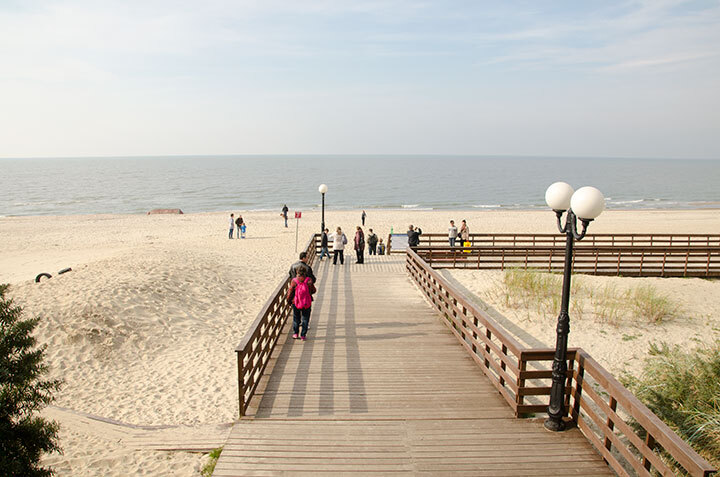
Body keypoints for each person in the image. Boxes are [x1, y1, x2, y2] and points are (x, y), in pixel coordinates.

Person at [286, 267, 316, 341]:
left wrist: (289, 301)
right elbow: (314, 290)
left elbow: (290, 291)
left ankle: (295, 333)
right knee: (305, 318)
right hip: (306, 302)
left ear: (297, 272)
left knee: (296, 318)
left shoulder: (294, 281)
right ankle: (303, 335)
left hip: (296, 302)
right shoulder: (308, 280)